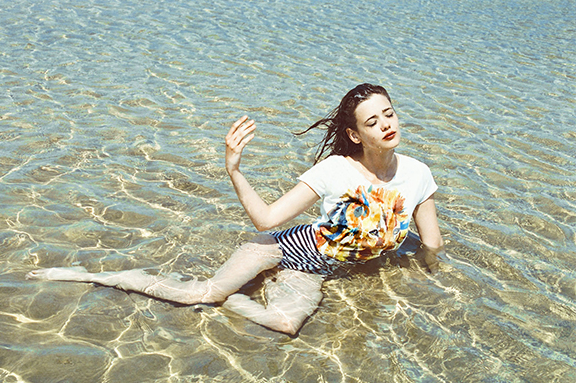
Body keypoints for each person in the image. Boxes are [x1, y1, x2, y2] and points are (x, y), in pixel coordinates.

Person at [27, 83, 444, 335]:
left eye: (389, 114)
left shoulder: (418, 175)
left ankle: (233, 301)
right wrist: (234, 169)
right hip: (284, 248)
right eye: (372, 121)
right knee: (201, 294)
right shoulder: (335, 169)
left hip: (315, 270)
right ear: (354, 135)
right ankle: (90, 275)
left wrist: (428, 284)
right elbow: (266, 219)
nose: (386, 124)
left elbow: (432, 244)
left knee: (285, 325)